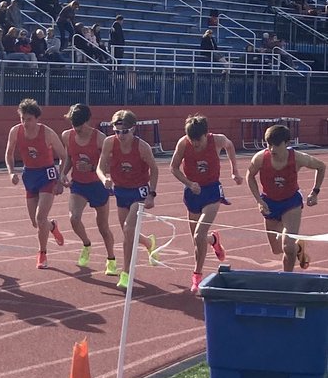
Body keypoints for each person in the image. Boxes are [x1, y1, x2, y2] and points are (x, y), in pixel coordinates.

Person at [170, 115, 243, 293]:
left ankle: (197, 275)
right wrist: (188, 183)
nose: (195, 144)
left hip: (211, 191)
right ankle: (214, 240)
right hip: (192, 192)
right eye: (192, 140)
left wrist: (234, 171)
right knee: (198, 240)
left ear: (206, 134)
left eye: (198, 140)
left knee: (198, 235)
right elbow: (173, 167)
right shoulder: (183, 143)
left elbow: (230, 146)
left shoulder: (217, 140)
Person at [245, 123, 325, 272]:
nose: (272, 149)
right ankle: (298, 247)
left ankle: (287, 279)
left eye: (276, 145)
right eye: (269, 144)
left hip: (291, 203)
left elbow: (321, 167)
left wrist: (315, 192)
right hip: (269, 203)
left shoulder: (298, 158)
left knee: (287, 246)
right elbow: (250, 176)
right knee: (276, 250)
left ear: (287, 143)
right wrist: (259, 200)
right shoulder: (261, 158)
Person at [96, 110, 161, 290]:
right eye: (117, 131)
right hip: (120, 190)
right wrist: (104, 179)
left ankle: (126, 272)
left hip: (139, 190)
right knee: (128, 232)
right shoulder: (109, 143)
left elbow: (154, 170)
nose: (120, 135)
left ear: (133, 129)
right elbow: (99, 167)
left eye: (124, 131)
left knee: (128, 229)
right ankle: (148, 242)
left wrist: (152, 193)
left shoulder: (142, 147)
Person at [5, 98, 66, 270]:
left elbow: (63, 155)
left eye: (29, 119)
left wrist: (60, 178)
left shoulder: (47, 133)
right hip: (29, 175)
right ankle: (52, 226)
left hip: (46, 175)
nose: (25, 122)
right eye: (23, 118)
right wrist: (11, 171)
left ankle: (42, 253)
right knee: (35, 222)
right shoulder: (15, 132)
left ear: (37, 119)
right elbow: (9, 154)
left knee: (40, 218)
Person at [60, 103, 117, 275]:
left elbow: (112, 162)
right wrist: (62, 173)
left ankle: (111, 260)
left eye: (79, 125)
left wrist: (93, 168)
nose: (76, 128)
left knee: (103, 227)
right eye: (73, 124)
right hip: (78, 184)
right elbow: (68, 158)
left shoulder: (100, 138)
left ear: (88, 121)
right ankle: (86, 244)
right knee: (74, 218)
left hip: (97, 185)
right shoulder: (67, 136)